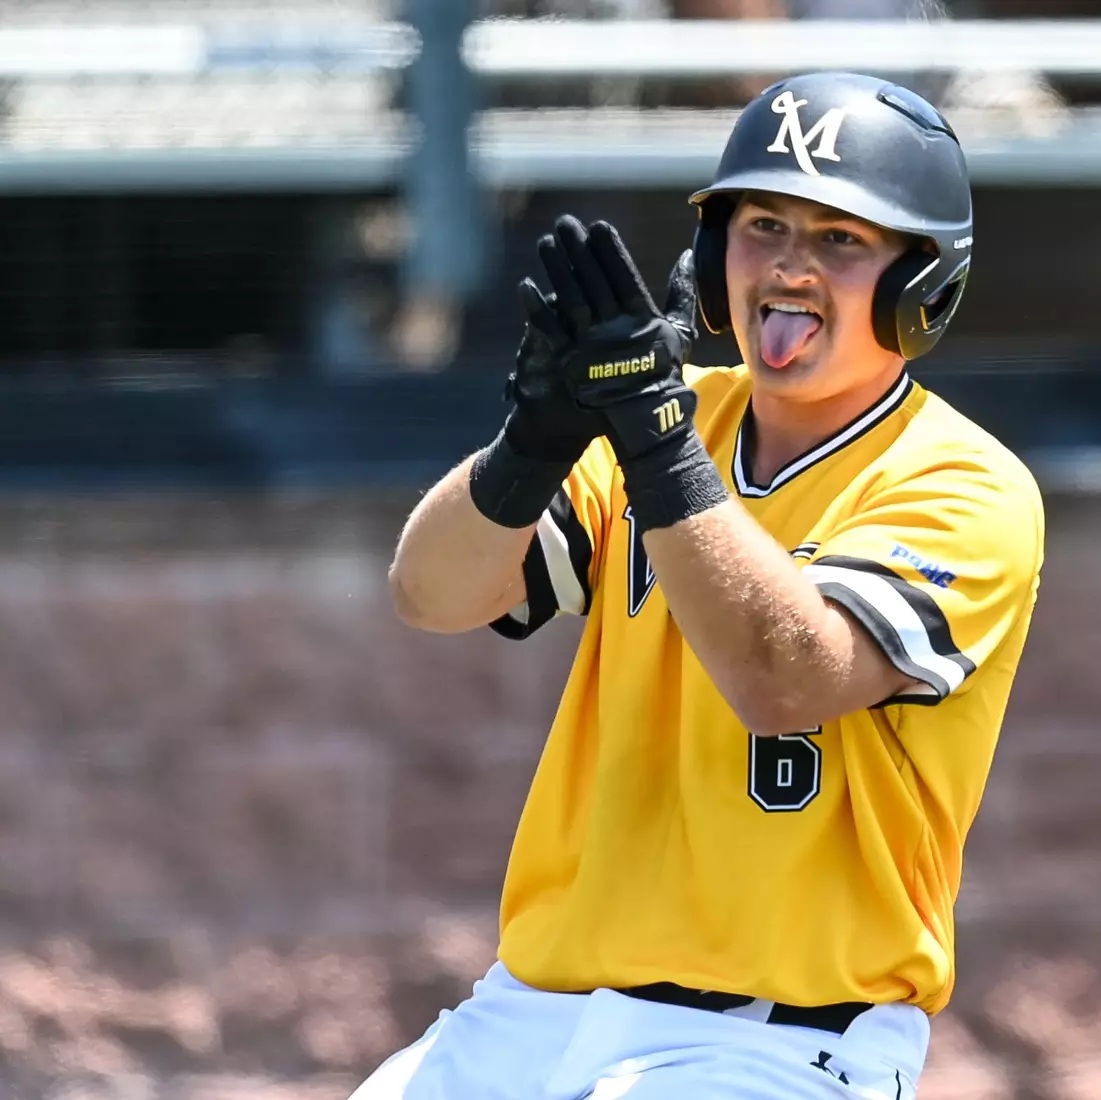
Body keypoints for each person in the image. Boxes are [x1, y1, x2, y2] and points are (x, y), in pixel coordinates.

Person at [366, 70, 1044, 1099]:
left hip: (769, 1045)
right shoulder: (667, 416)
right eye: (764, 224)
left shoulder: (966, 481)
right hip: (530, 1013)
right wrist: (532, 441)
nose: (791, 266)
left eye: (842, 239)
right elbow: (432, 592)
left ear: (924, 284)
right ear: (713, 251)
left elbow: (788, 676)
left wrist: (653, 435)